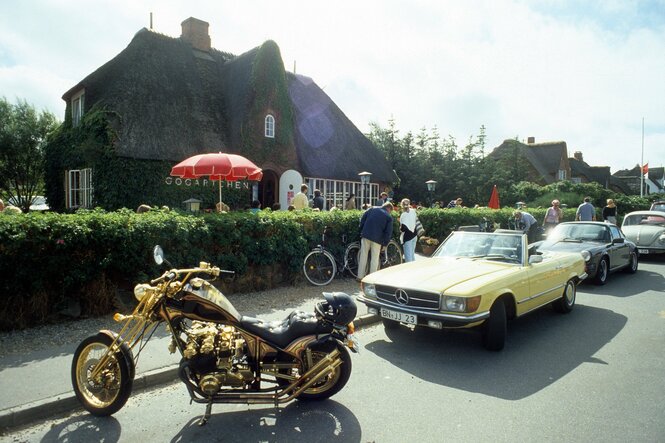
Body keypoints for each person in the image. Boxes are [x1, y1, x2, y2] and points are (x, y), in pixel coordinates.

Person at [357, 202, 394, 280]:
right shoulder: (388, 217)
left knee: (363, 256)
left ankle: (359, 276)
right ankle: (371, 279)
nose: (390, 213)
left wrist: (361, 230)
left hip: (366, 235)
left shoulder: (372, 209)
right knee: (375, 258)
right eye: (391, 211)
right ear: (389, 209)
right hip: (377, 239)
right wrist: (385, 244)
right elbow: (388, 233)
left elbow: (362, 219)